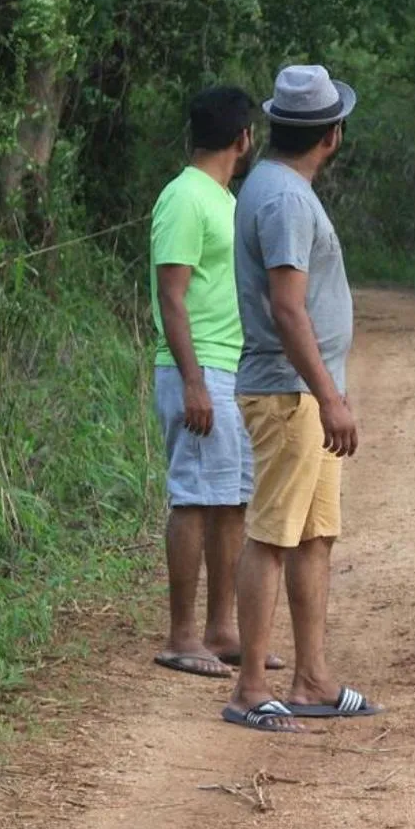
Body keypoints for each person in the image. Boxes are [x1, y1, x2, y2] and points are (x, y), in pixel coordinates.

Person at [222, 64, 384, 732]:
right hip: (290, 395)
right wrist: (330, 396)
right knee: (272, 534)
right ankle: (251, 686)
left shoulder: (273, 184)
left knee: (315, 533)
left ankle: (312, 675)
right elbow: (288, 310)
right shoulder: (286, 200)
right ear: (332, 135)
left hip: (306, 394)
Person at [149, 86, 276, 680]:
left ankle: (221, 628)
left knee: (231, 499)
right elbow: (170, 295)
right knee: (196, 496)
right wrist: (194, 382)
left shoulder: (226, 198)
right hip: (198, 368)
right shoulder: (184, 198)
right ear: (243, 138)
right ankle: (180, 634)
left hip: (234, 364)